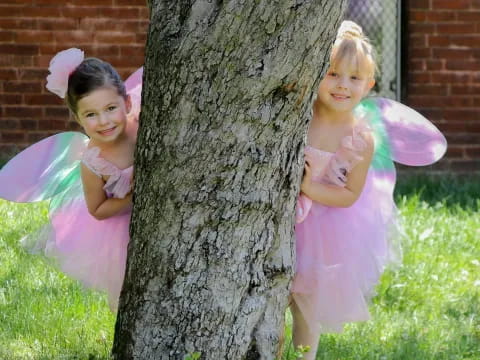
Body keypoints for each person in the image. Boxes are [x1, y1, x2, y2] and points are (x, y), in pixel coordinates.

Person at [290, 21, 446, 359]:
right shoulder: (297, 116)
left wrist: (308, 187)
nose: (343, 85)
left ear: (369, 85)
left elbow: (349, 195)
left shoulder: (361, 138)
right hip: (278, 224)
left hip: (325, 231)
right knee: (269, 304)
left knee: (307, 311)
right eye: (333, 74)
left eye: (354, 78)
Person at [0, 48, 143, 310]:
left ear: (128, 104)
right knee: (127, 290)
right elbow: (98, 210)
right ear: (78, 119)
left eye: (111, 108)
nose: (104, 121)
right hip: (120, 226)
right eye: (91, 115)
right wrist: (131, 196)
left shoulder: (143, 125)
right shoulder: (92, 163)